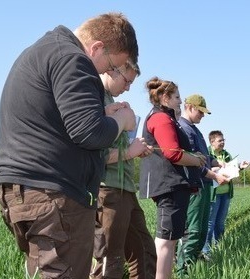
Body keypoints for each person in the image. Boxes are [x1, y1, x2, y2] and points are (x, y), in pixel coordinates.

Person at [0, 13, 138, 278]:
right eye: (110, 67)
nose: (105, 73)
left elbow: (56, 121)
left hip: (22, 190)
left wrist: (103, 114)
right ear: (96, 48)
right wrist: (121, 121)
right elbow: (89, 133)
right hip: (53, 194)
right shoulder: (73, 58)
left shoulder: (43, 51)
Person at [91, 62, 157, 279]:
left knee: (144, 251)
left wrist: (134, 148)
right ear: (111, 69)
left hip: (125, 189)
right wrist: (129, 152)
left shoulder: (110, 102)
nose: (128, 88)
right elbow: (93, 155)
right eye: (126, 81)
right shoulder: (93, 98)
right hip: (107, 189)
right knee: (110, 259)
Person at [138, 77, 207, 279]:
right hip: (169, 186)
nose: (179, 101)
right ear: (165, 97)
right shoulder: (161, 118)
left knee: (170, 239)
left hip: (171, 186)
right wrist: (196, 160)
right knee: (166, 241)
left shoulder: (164, 117)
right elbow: (172, 153)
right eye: (176, 97)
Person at [175, 94, 229, 274]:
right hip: (194, 186)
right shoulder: (184, 129)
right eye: (201, 111)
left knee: (201, 231)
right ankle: (183, 271)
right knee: (193, 231)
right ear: (189, 107)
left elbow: (203, 157)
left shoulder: (195, 130)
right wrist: (214, 175)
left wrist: (215, 162)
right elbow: (191, 161)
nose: (203, 116)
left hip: (204, 186)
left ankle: (196, 268)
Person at [201, 130, 250, 257]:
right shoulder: (206, 153)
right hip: (213, 194)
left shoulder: (226, 154)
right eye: (220, 140)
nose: (223, 142)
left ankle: (219, 246)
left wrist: (240, 166)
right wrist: (214, 169)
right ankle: (206, 251)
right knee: (210, 223)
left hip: (225, 193)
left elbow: (230, 168)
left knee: (220, 222)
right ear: (212, 142)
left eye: (223, 140)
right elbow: (202, 169)